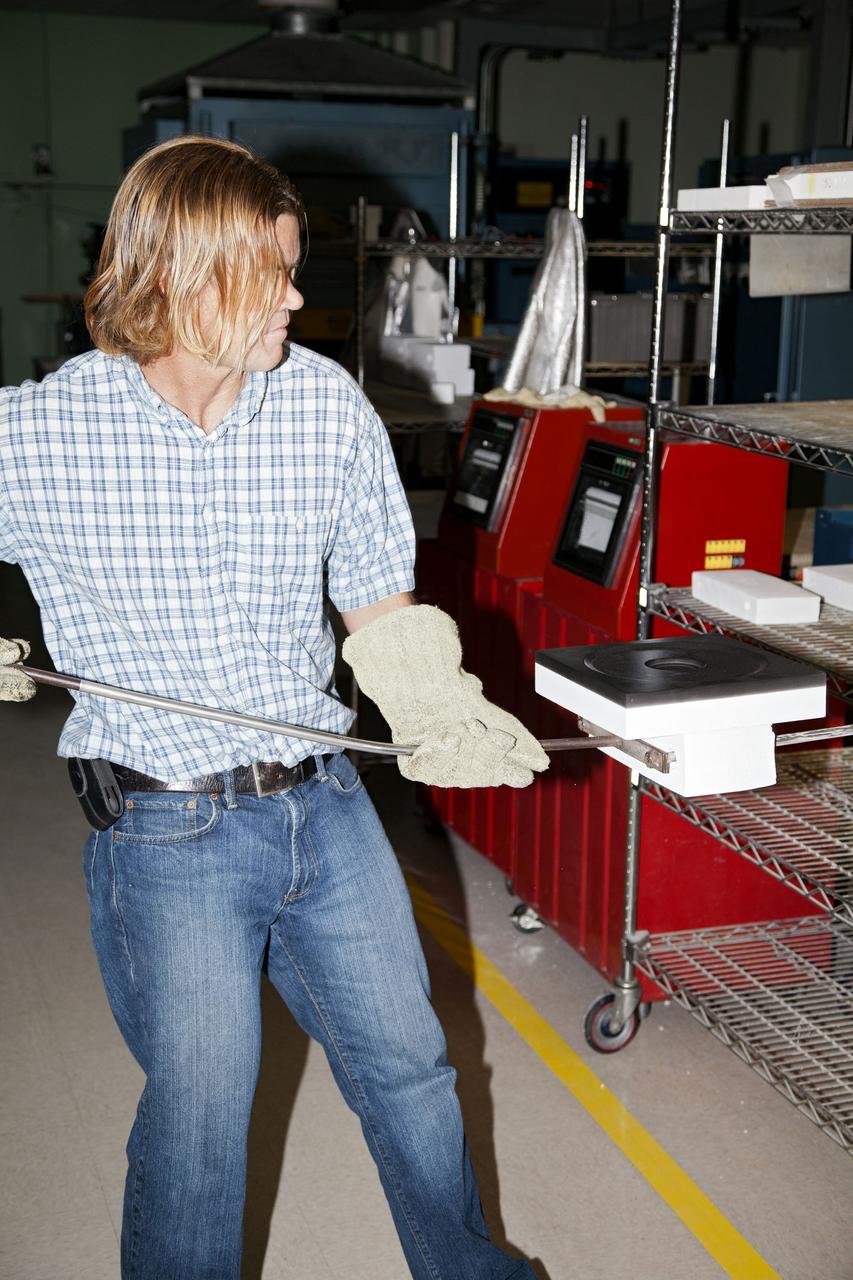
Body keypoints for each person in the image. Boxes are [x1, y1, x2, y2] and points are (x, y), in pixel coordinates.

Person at [0, 136, 547, 1280]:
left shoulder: (325, 407)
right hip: (165, 829)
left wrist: (432, 696)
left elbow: (376, 599)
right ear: (180, 273)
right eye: (277, 274)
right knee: (201, 1125)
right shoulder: (41, 434)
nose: (300, 297)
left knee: (411, 1070)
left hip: (325, 804)